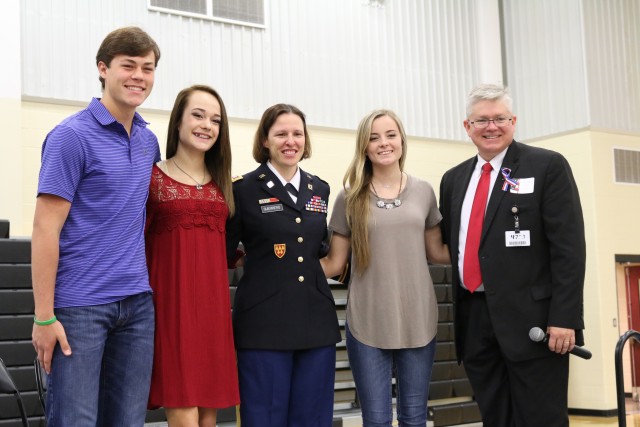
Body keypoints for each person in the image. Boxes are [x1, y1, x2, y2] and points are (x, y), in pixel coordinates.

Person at [30, 26, 161, 425]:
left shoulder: (147, 140)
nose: (139, 75)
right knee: (75, 421)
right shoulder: (71, 137)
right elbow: (44, 229)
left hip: (138, 305)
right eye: (128, 65)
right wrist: (43, 316)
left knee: (127, 421)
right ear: (103, 69)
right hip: (79, 307)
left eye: (148, 68)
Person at [438, 83, 586, 427]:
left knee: (540, 418)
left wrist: (565, 317)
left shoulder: (546, 166)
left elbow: (569, 248)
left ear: (514, 121)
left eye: (500, 118)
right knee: (494, 417)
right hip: (475, 319)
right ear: (467, 127)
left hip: (535, 322)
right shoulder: (453, 180)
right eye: (482, 120)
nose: (492, 127)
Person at [320, 109, 450, 427]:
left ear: (402, 141)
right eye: (374, 137)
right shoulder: (349, 197)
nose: (383, 143)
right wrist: (279, 265)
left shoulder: (423, 191)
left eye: (390, 135)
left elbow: (438, 253)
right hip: (367, 322)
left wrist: (487, 247)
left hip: (418, 320)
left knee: (414, 418)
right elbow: (334, 263)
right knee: (376, 420)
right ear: (364, 146)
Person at [226, 103, 341, 427]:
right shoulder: (243, 189)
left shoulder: (319, 188)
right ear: (265, 140)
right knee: (264, 417)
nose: (290, 141)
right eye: (281, 134)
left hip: (315, 322)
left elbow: (318, 246)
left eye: (297, 133)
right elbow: (224, 252)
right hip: (264, 325)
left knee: (313, 419)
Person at [145, 85, 240, 426]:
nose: (207, 125)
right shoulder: (151, 179)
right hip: (171, 312)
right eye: (198, 115)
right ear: (178, 122)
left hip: (213, 315)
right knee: (183, 413)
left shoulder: (225, 185)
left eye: (215, 120)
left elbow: (231, 249)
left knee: (208, 420)